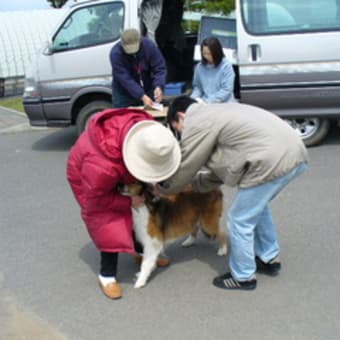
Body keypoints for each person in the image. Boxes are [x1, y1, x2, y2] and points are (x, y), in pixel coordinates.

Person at [158, 96, 309, 290]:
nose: (181, 135)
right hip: (293, 153)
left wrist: (165, 188)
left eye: (177, 128)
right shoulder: (215, 113)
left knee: (240, 219)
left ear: (181, 116)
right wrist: (194, 186)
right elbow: (224, 167)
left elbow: (187, 164)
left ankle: (243, 277)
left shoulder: (196, 121)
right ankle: (269, 259)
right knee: (257, 209)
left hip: (272, 160)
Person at [66, 108, 180, 299]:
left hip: (114, 161)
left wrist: (149, 183)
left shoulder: (144, 131)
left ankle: (140, 252)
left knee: (136, 214)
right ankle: (106, 275)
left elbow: (140, 163)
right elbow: (96, 201)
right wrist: (128, 200)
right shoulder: (102, 167)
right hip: (90, 181)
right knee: (108, 223)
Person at [110, 28, 167, 108]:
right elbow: (125, 79)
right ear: (122, 44)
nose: (132, 52)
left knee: (149, 115)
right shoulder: (116, 54)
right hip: (123, 92)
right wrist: (141, 95)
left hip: (147, 87)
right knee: (123, 117)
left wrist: (158, 86)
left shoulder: (150, 47)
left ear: (140, 41)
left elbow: (159, 68)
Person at [190, 37, 235, 103]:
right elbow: (198, 87)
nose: (207, 56)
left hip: (225, 104)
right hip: (206, 104)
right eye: (204, 53)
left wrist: (208, 101)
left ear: (217, 52)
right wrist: (193, 99)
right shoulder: (199, 67)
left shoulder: (226, 66)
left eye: (209, 54)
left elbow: (226, 90)